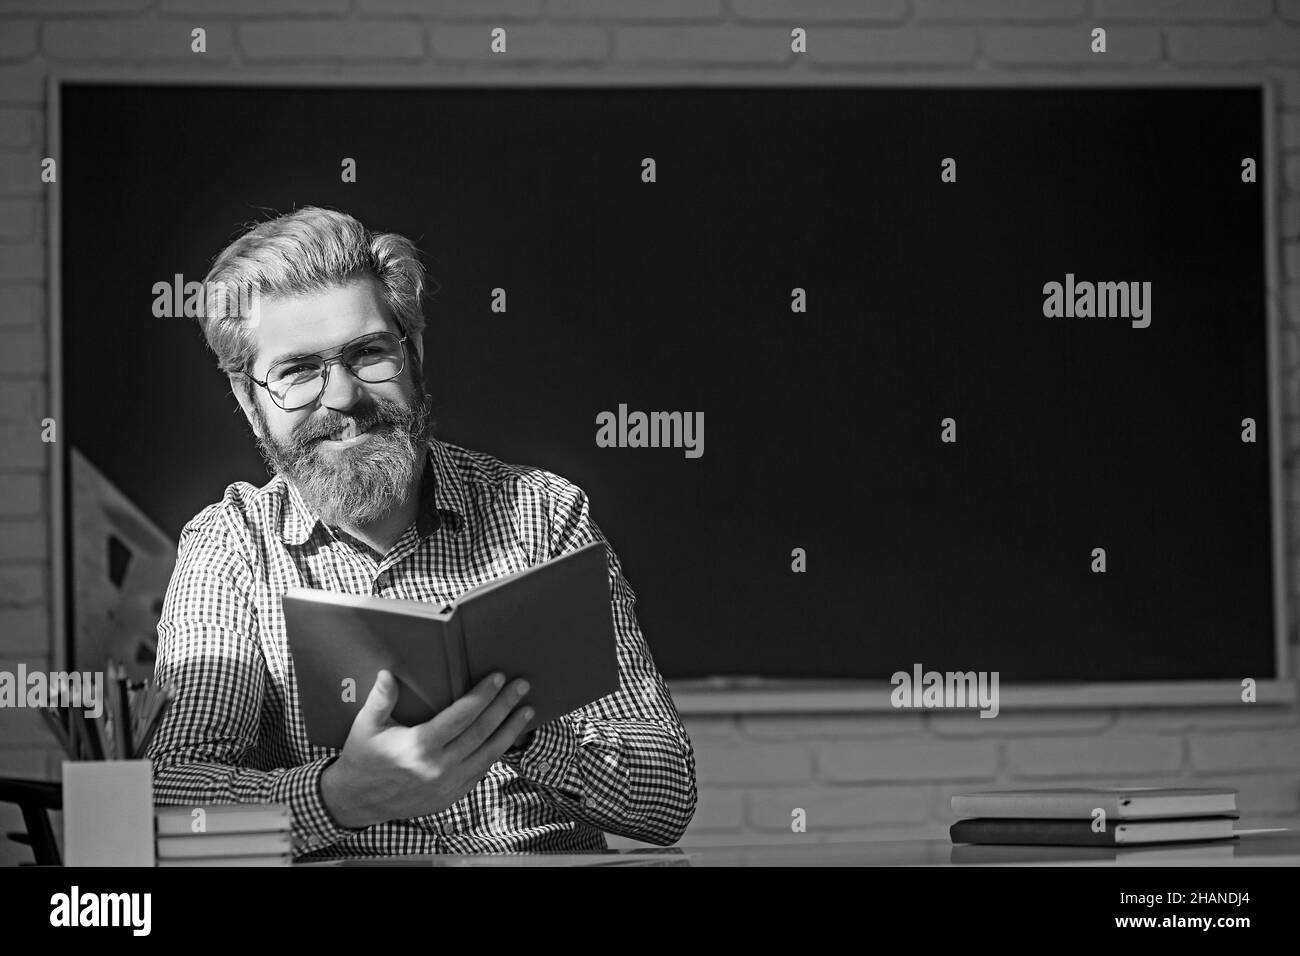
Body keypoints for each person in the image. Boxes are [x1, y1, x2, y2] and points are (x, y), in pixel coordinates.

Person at [148, 206, 697, 859]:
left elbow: (669, 796)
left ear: (414, 353)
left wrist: (520, 731)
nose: (344, 396)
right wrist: (342, 795)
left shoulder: (544, 514)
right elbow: (172, 803)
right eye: (297, 372)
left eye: (370, 353)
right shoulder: (232, 546)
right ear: (250, 401)